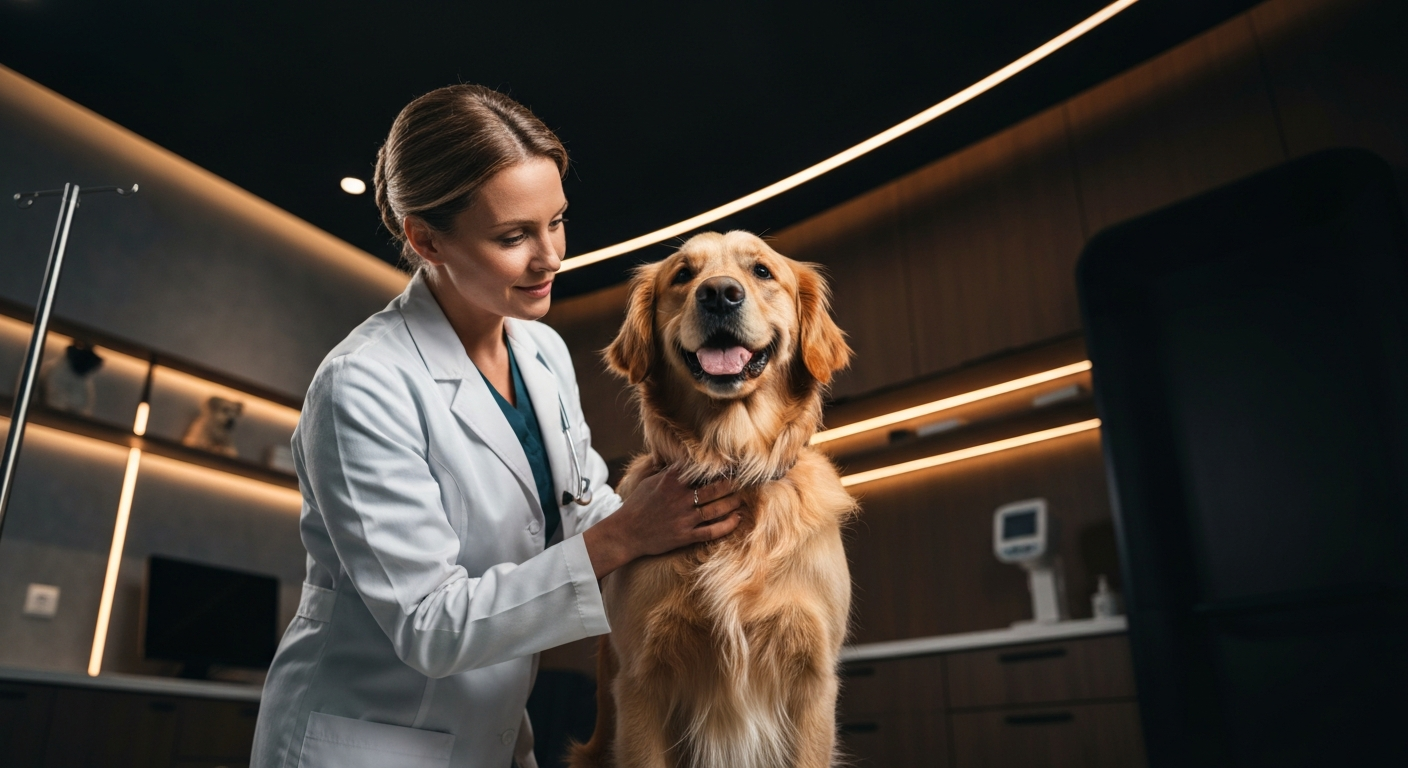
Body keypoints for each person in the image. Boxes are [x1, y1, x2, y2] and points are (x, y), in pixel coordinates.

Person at [251, 85, 744, 768]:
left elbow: (582, 509)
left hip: (495, 738)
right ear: (425, 239)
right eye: (514, 237)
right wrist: (627, 533)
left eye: (558, 222)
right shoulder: (363, 385)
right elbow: (430, 625)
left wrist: (706, 528)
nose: (551, 257)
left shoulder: (540, 352)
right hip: (369, 743)